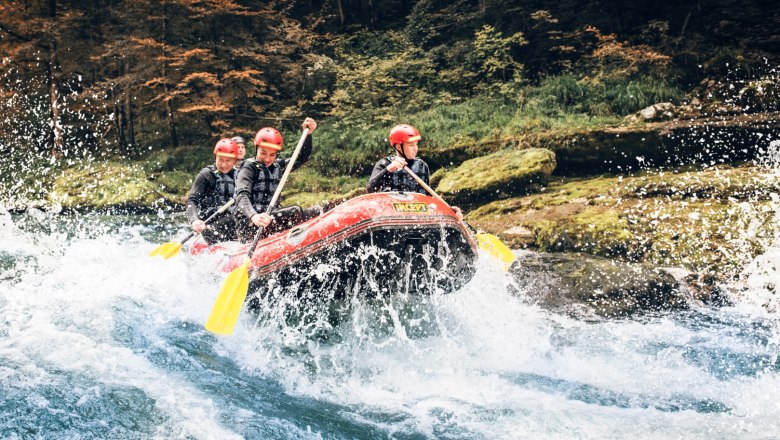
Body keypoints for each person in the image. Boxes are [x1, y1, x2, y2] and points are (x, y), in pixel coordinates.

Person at [234, 117, 324, 242]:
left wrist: (308, 135)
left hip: (271, 216)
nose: (267, 159)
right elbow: (241, 195)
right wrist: (253, 216)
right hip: (250, 223)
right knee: (294, 211)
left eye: (272, 155)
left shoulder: (279, 166)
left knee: (318, 210)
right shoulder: (248, 167)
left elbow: (301, 158)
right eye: (263, 153)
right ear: (256, 148)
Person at [367, 124, 464, 219]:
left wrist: (449, 210)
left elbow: (427, 196)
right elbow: (370, 189)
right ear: (398, 147)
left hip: (417, 215)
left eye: (416, 144)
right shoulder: (385, 163)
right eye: (411, 145)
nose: (415, 148)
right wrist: (388, 169)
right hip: (391, 214)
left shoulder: (422, 165)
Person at [186, 138, 239, 244]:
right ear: (215, 158)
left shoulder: (240, 175)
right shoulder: (206, 175)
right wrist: (195, 220)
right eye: (221, 160)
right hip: (210, 226)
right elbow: (191, 201)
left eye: (228, 160)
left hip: (232, 222)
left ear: (234, 161)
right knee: (236, 219)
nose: (224, 165)